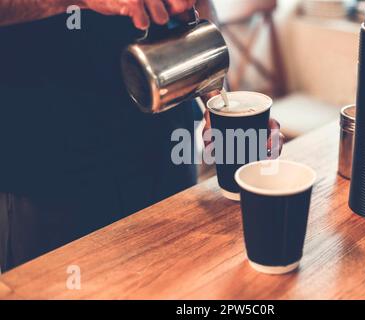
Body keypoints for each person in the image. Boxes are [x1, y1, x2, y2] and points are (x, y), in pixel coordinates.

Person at [0, 0, 283, 272]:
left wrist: (218, 97)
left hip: (166, 145)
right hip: (49, 169)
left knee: (178, 283)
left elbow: (198, 6)